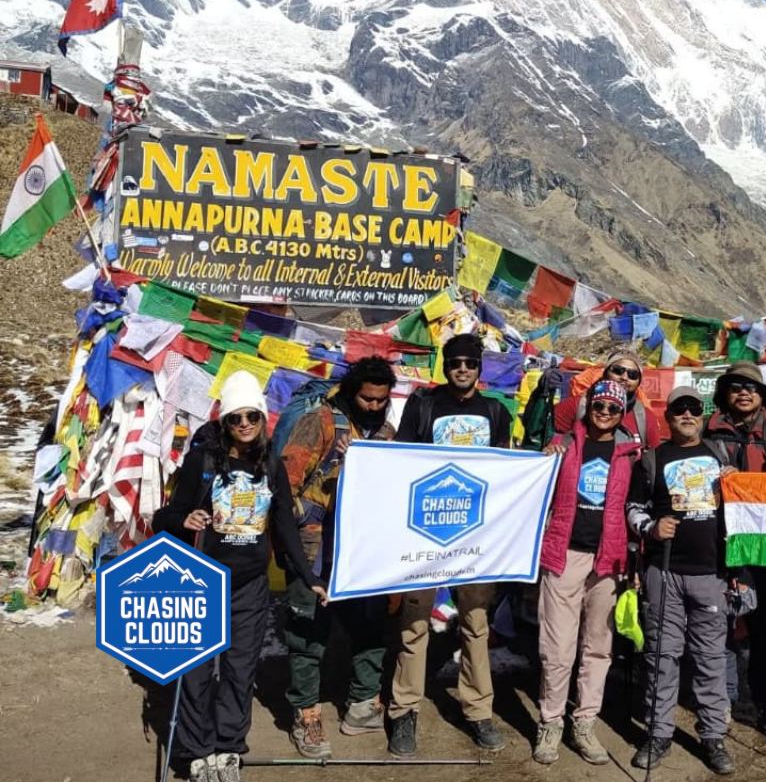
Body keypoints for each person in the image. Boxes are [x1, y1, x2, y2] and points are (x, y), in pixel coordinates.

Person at [153, 371, 327, 782]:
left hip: (249, 585)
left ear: (263, 418)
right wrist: (185, 519)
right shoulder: (203, 462)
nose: (245, 424)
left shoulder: (271, 465)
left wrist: (308, 576)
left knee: (240, 669)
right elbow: (164, 517)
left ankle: (229, 747)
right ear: (225, 421)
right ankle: (198, 752)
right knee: (196, 670)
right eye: (236, 417)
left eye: (252, 415)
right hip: (201, 582)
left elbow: (283, 526)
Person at [388, 333, 514, 756]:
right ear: (445, 366)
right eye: (455, 362)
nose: (463, 368)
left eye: (470, 363)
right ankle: (404, 711)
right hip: (427, 532)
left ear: (480, 367)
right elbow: (400, 463)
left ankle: (478, 711)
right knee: (414, 623)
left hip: (476, 538)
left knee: (476, 625)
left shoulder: (496, 411)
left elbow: (507, 474)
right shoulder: (423, 406)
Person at [279, 357, 398, 759]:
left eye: (381, 400)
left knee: (370, 624)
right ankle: (306, 713)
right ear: (351, 392)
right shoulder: (321, 423)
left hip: (363, 548)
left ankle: (363, 703)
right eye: (367, 399)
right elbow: (286, 485)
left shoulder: (386, 433)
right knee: (308, 631)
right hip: (316, 545)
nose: (374, 406)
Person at [627, 386, 739, 775]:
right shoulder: (652, 459)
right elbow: (633, 508)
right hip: (665, 572)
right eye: (679, 409)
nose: (687, 415)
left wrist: (736, 482)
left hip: (711, 573)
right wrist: (651, 528)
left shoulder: (721, 455)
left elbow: (745, 510)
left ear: (702, 415)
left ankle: (713, 736)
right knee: (662, 656)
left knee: (710, 659)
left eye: (694, 408)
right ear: (668, 417)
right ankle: (658, 734)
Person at [533, 380, 644, 765]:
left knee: (598, 646)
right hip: (564, 553)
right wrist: (546, 457)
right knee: (557, 647)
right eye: (599, 405)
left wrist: (635, 562)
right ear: (589, 406)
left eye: (613, 408)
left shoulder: (630, 455)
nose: (605, 413)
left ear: (622, 413)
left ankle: (584, 722)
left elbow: (637, 508)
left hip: (609, 559)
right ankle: (550, 722)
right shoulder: (563, 445)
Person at [701, 362, 766, 737]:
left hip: (762, 547)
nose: (743, 392)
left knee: (764, 631)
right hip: (715, 543)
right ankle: (718, 702)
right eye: (736, 386)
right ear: (724, 393)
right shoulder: (706, 433)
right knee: (716, 627)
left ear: (762, 396)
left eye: (751, 387)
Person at [553, 349, 662, 448]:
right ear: (605, 373)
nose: (624, 377)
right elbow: (546, 435)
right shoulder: (577, 406)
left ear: (638, 382)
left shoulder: (644, 417)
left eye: (633, 375)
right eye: (618, 370)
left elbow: (654, 457)